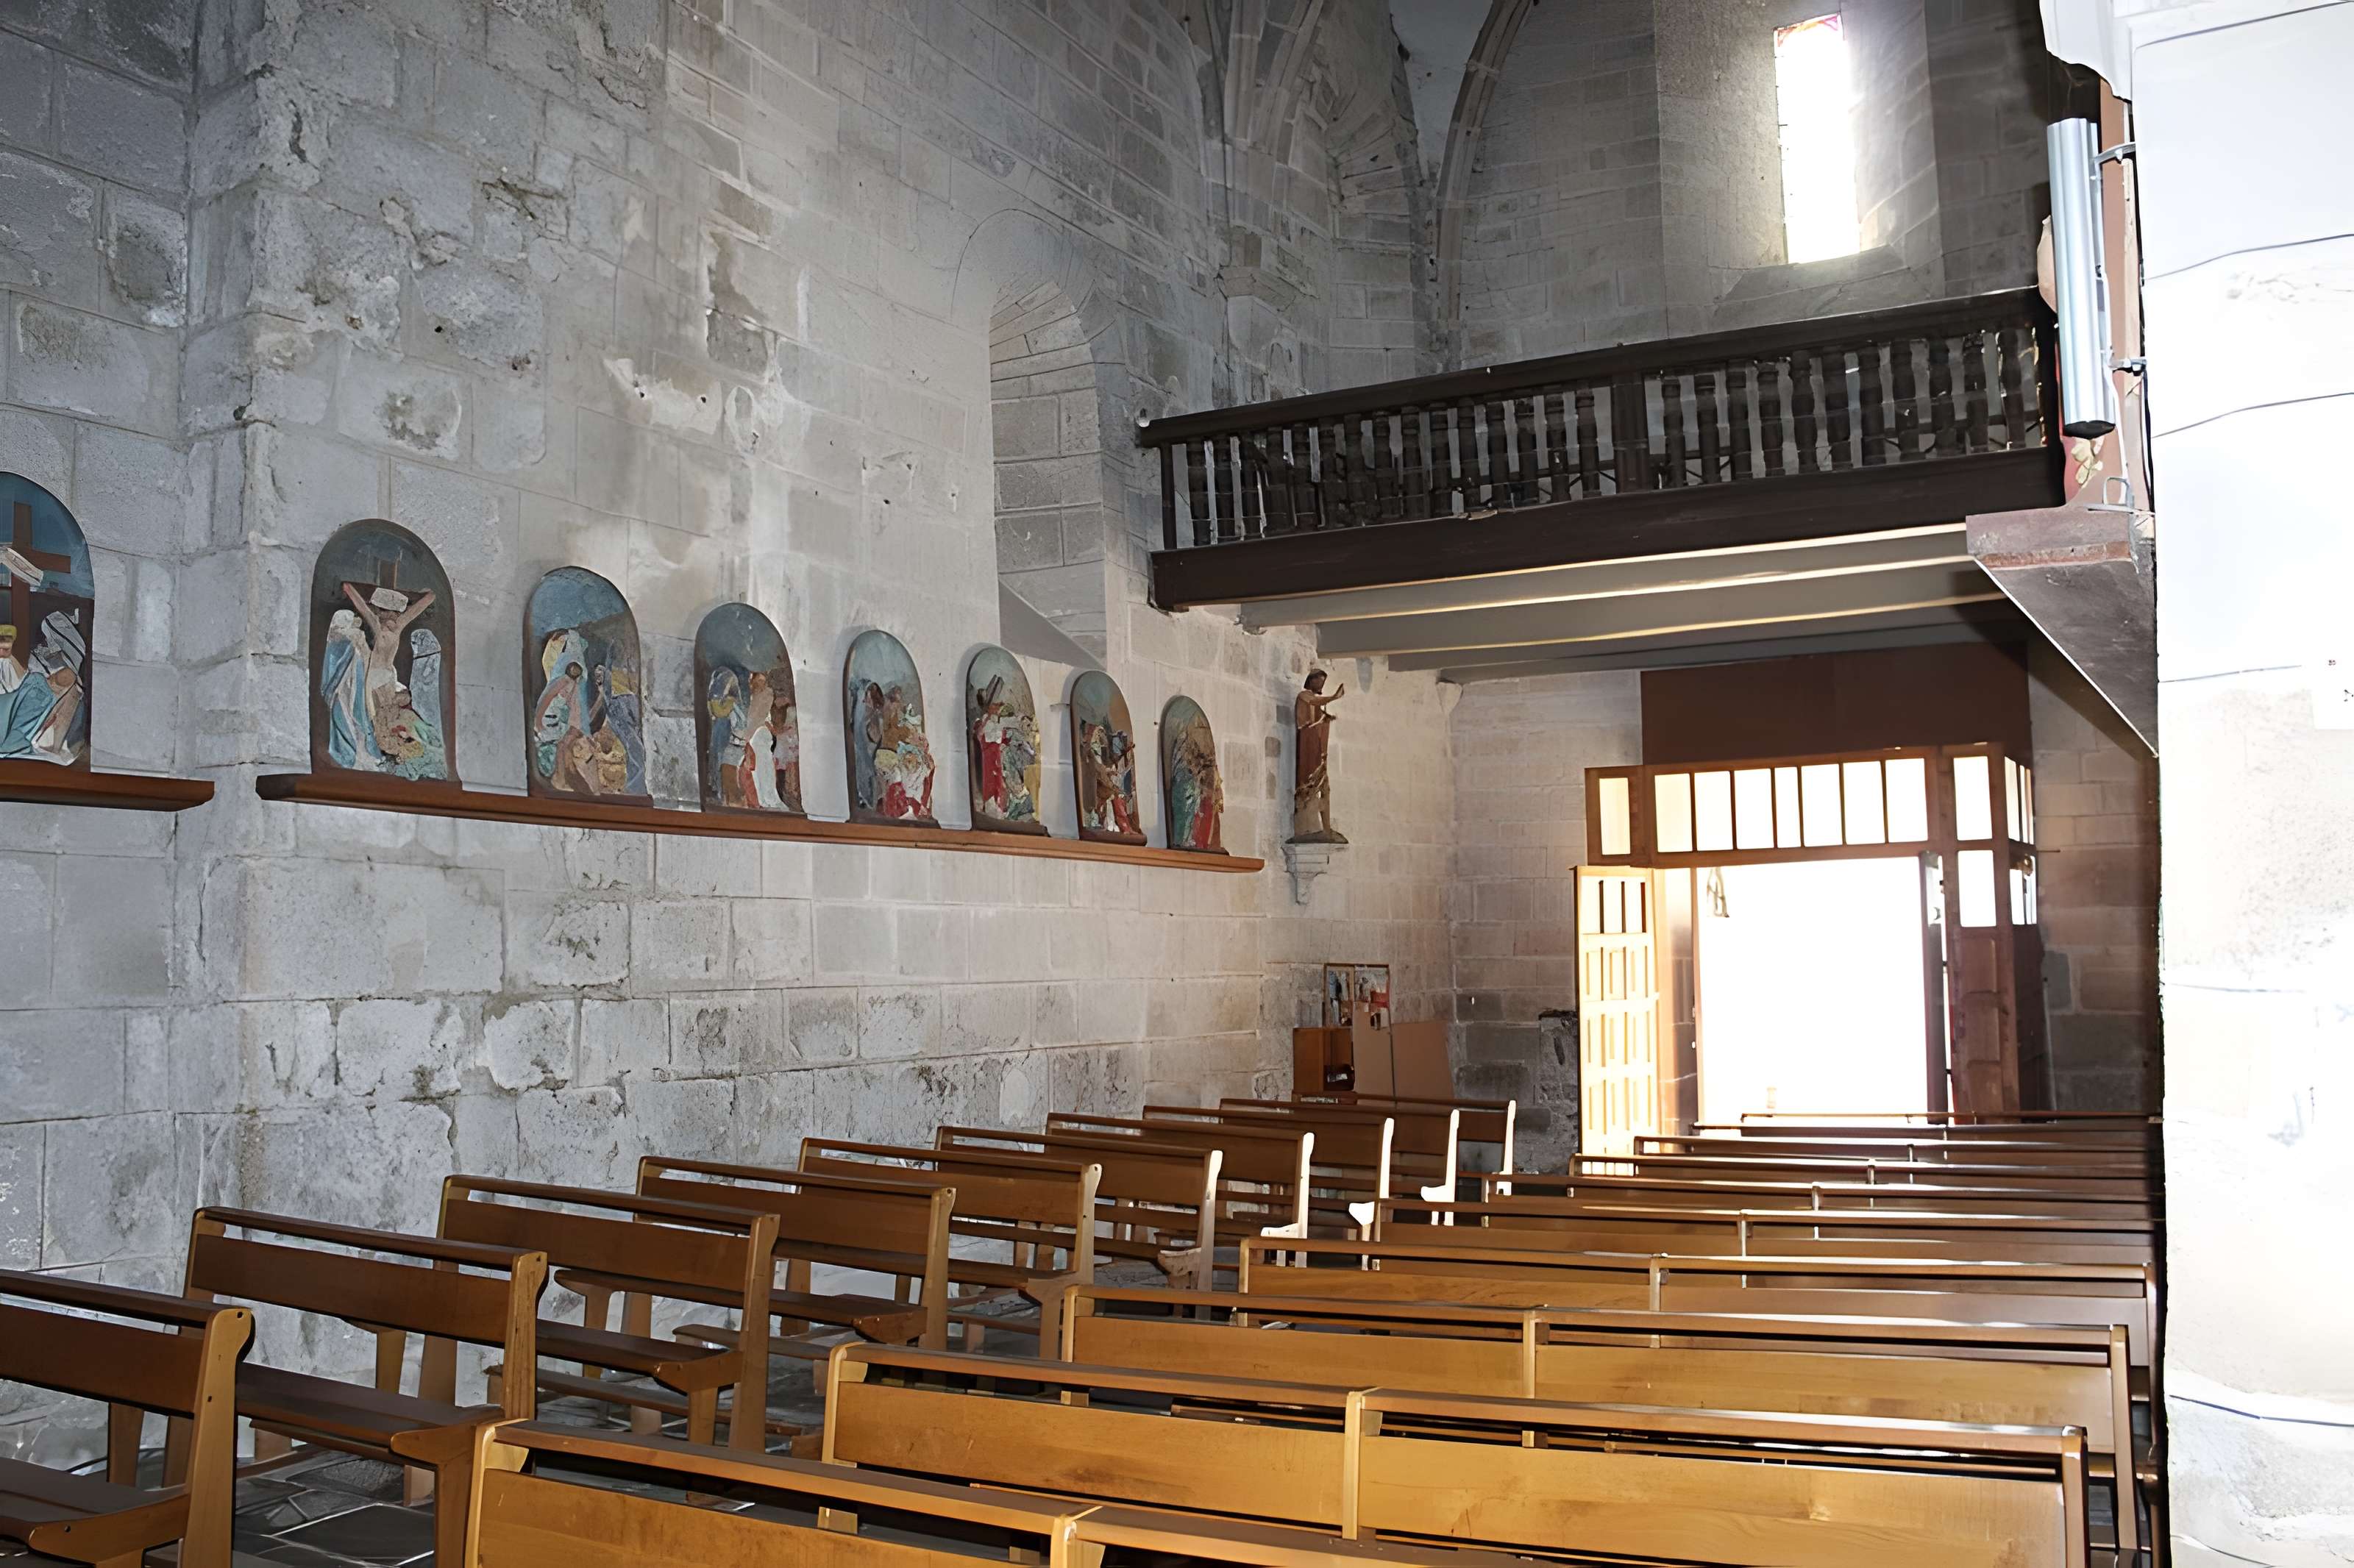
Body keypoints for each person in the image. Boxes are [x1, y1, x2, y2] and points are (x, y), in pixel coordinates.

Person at [319, 608, 384, 771]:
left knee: (359, 719)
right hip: (340, 691)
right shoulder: (337, 642)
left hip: (353, 687)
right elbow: (334, 670)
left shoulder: (349, 640)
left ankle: (363, 754)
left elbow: (360, 662)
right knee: (344, 720)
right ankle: (349, 755)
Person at [1291, 667, 1347, 843]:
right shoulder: (1304, 696)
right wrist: (1334, 698)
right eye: (1319, 681)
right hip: (1309, 745)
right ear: (1311, 681)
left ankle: (1326, 828)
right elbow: (1313, 707)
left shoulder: (1314, 700)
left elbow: (1318, 715)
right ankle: (1308, 827)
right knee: (1310, 782)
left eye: (1323, 682)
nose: (1321, 684)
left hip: (1317, 746)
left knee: (1324, 786)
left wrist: (1326, 719)